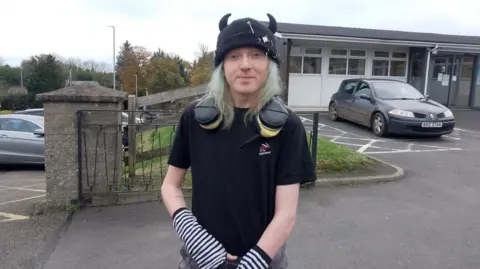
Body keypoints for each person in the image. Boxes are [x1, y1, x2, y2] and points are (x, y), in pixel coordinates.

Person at [161, 13, 316, 269]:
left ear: (270, 64)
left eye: (256, 54)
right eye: (234, 56)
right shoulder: (193, 119)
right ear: (223, 66)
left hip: (264, 260)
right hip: (199, 258)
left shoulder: (288, 126)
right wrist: (198, 242)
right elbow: (170, 186)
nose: (245, 65)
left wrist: (253, 262)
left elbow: (286, 213)